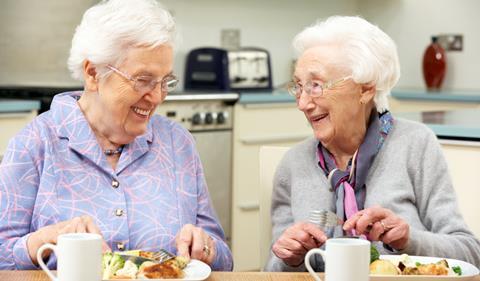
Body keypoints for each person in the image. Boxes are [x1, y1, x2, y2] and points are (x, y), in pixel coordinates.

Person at [0, 0, 232, 271]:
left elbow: (224, 260)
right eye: (143, 80)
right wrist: (41, 240)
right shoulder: (34, 144)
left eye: (165, 81)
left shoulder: (177, 143)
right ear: (93, 74)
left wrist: (207, 247)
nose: (157, 97)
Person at [265, 15, 480, 271]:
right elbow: (273, 270)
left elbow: (470, 253)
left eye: (316, 85)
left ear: (365, 90)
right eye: (299, 86)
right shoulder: (293, 164)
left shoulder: (415, 145)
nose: (302, 103)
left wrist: (408, 240)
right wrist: (290, 257)